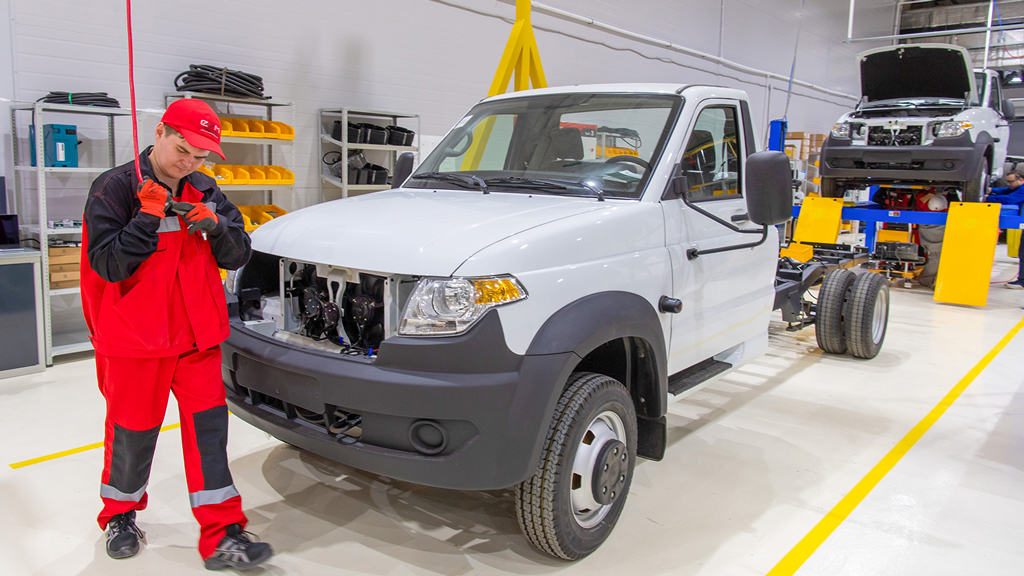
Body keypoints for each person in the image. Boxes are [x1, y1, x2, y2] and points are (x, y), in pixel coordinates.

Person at [80, 98, 273, 569]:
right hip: (136, 340)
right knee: (132, 433)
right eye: (183, 150)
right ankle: (119, 516)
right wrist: (145, 218)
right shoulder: (113, 189)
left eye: (200, 156)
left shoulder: (205, 188)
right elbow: (107, 265)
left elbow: (238, 255)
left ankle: (223, 533)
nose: (189, 163)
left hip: (197, 337)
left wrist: (219, 226)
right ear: (161, 133)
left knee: (209, 434)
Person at [987, 170, 1024, 289]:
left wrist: (988, 198)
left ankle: (1022, 282)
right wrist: (991, 190)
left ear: (1021, 180)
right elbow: (1005, 191)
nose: (1008, 184)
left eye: (1011, 181)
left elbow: (1009, 199)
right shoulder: (1018, 187)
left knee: (1023, 252)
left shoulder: (1023, 189)